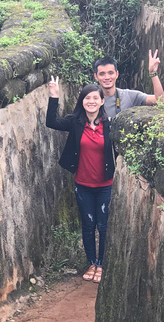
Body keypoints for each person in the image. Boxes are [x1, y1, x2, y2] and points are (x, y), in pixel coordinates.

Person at [46, 77, 114, 284]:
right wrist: (54, 97)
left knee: (102, 226)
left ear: (102, 101)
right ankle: (91, 263)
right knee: (88, 224)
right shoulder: (75, 123)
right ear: (82, 101)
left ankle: (101, 264)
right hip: (83, 184)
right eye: (87, 98)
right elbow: (52, 122)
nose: (91, 101)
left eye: (95, 98)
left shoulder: (110, 124)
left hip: (104, 185)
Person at [93, 50, 164, 118]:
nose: (107, 77)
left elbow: (160, 101)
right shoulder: (90, 100)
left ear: (117, 74)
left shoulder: (129, 96)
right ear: (96, 76)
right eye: (102, 74)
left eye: (110, 73)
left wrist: (153, 73)